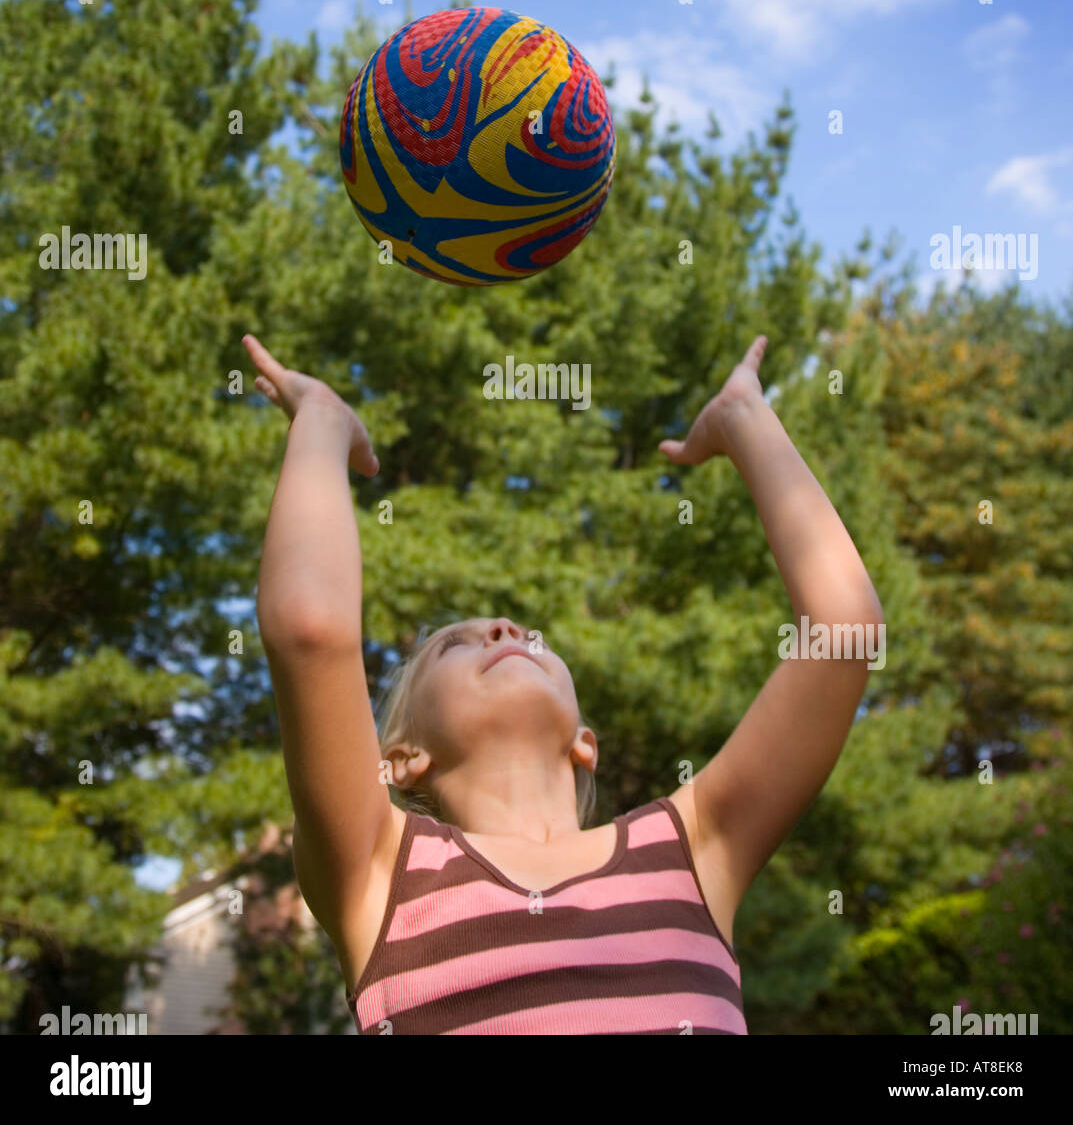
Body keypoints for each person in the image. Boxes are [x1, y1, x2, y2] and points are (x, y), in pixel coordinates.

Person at [244, 331, 883, 1034]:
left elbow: (844, 631)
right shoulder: (381, 871)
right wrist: (322, 422)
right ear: (399, 759)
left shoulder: (690, 850)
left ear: (586, 742)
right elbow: (310, 630)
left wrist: (745, 420)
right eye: (455, 644)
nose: (506, 630)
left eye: (527, 635)